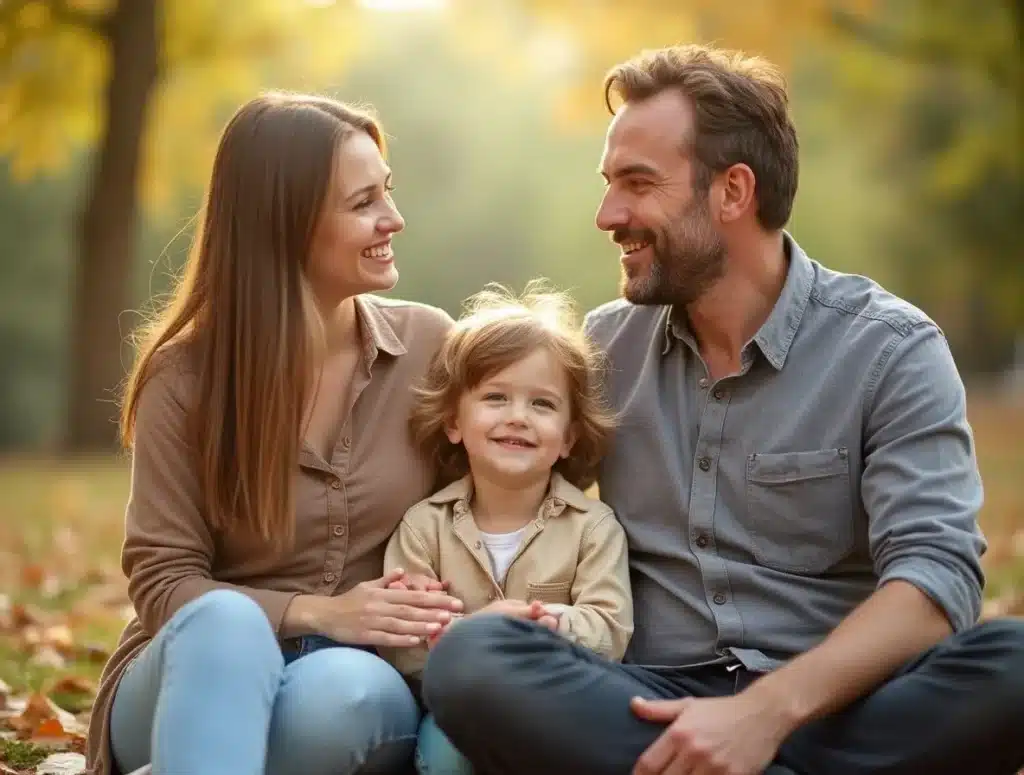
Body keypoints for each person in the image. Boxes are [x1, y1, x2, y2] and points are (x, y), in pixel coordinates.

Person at [421, 44, 1024, 775]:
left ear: (733, 192)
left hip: (839, 701)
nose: (608, 214)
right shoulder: (605, 350)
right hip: (649, 700)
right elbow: (512, 484)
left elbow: (936, 579)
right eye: (609, 185)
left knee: (1014, 662)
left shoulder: (889, 348)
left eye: (637, 184)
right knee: (474, 659)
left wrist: (762, 716)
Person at [85, 92, 467, 775]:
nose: (394, 218)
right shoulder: (185, 377)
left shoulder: (428, 347)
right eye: (362, 204)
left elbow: (472, 518)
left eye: (388, 191)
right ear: (284, 224)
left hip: (345, 680)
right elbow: (164, 582)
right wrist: (317, 611)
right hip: (190, 672)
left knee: (350, 696)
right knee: (226, 624)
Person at [381, 284, 634, 775]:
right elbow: (399, 642)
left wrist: (551, 627)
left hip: (554, 712)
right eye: (495, 398)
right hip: (454, 715)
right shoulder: (423, 527)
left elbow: (610, 627)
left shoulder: (593, 527)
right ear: (454, 422)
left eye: (542, 405)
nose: (517, 417)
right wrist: (457, 637)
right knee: (448, 755)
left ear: (569, 437)